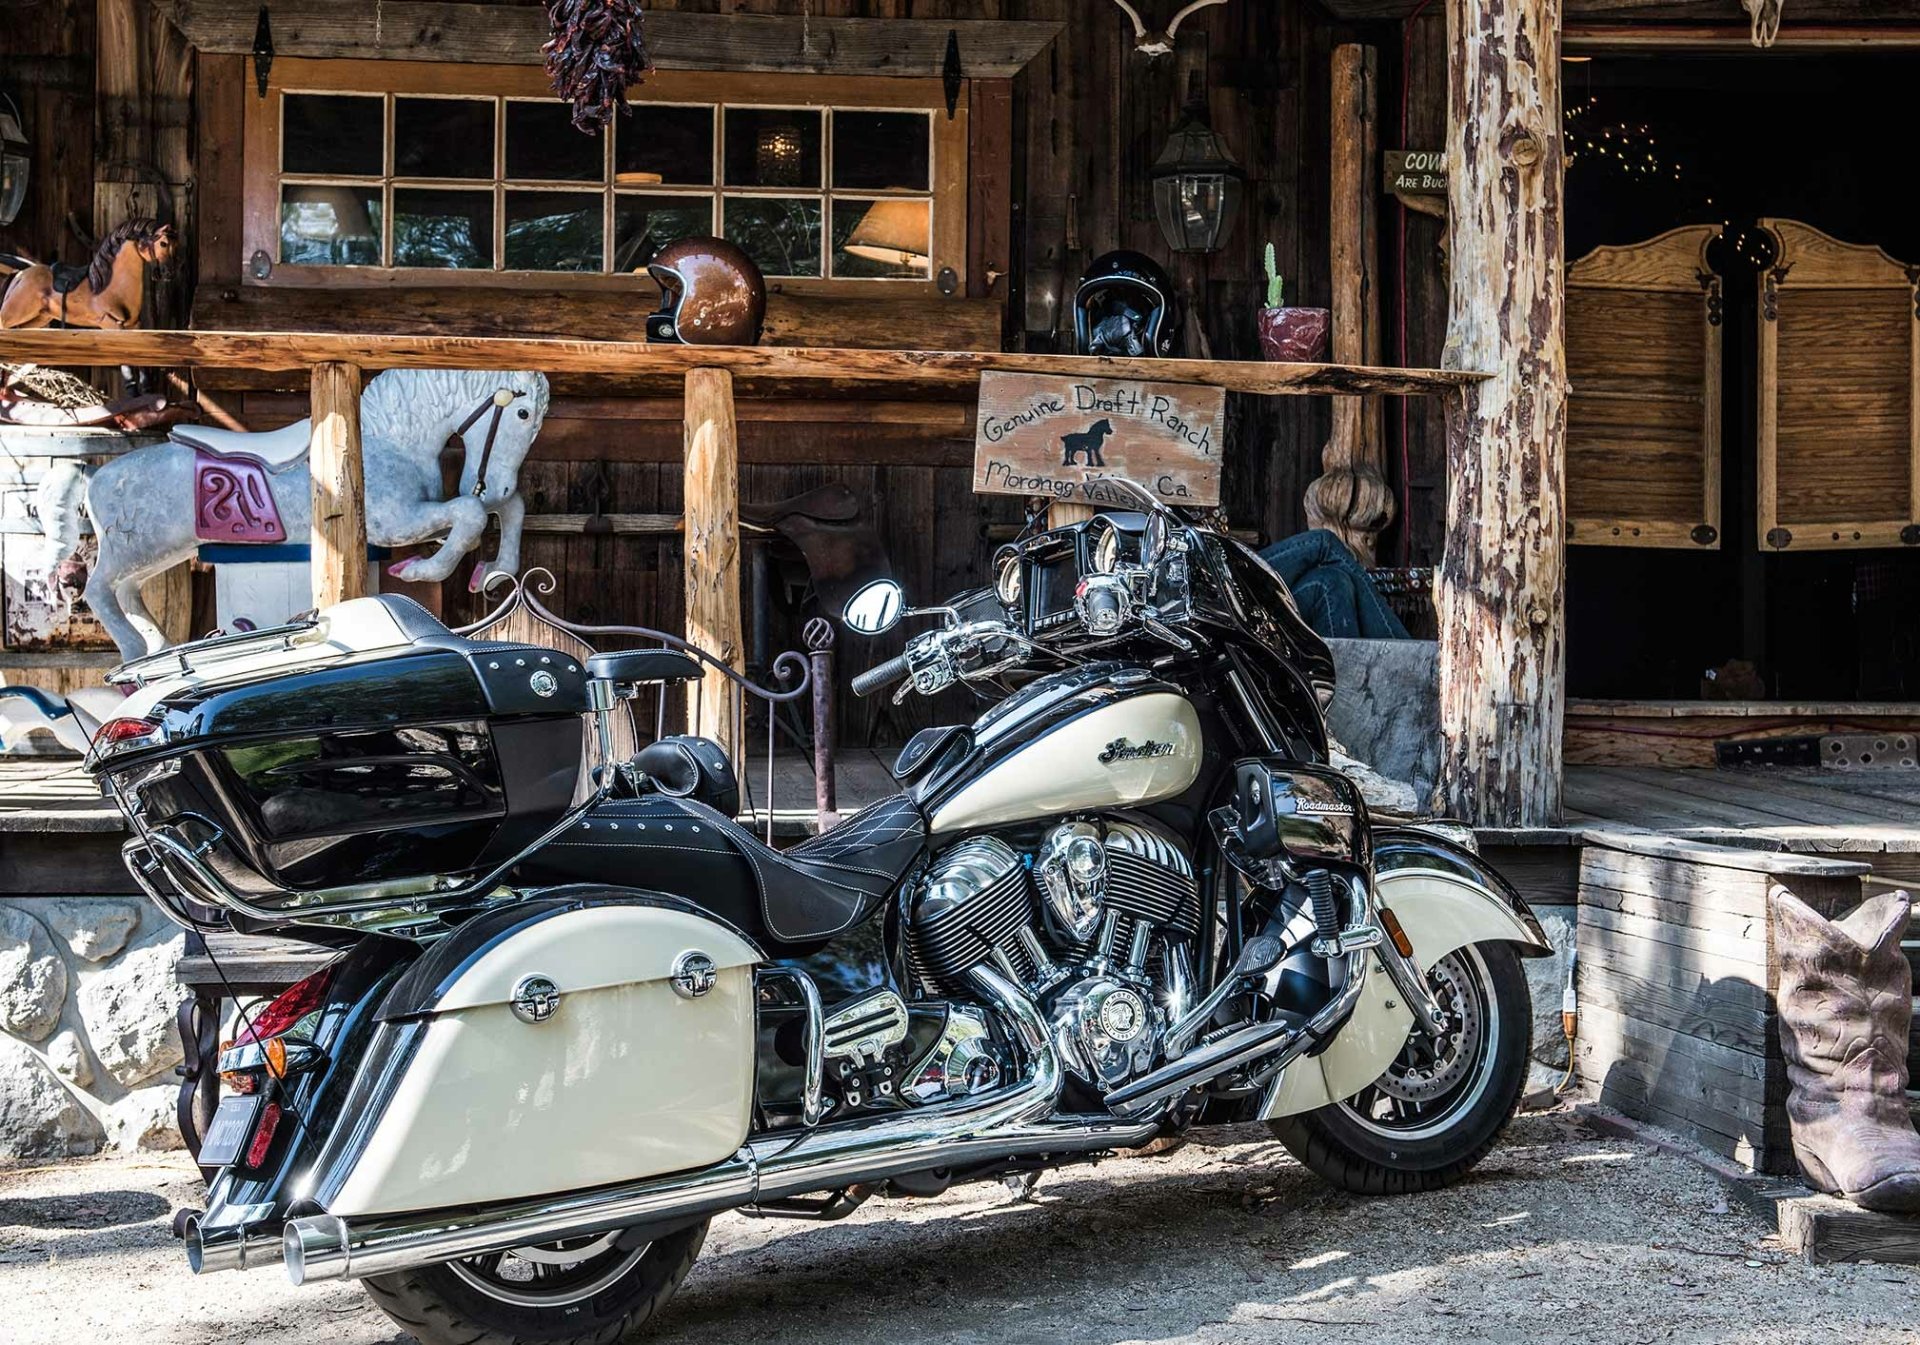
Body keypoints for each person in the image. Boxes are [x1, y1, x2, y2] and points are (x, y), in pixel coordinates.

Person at [1259, 529, 1409, 639]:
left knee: (1331, 582)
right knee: (1324, 542)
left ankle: (1349, 677)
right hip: (1240, 588)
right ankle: (1405, 656)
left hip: (1243, 593)